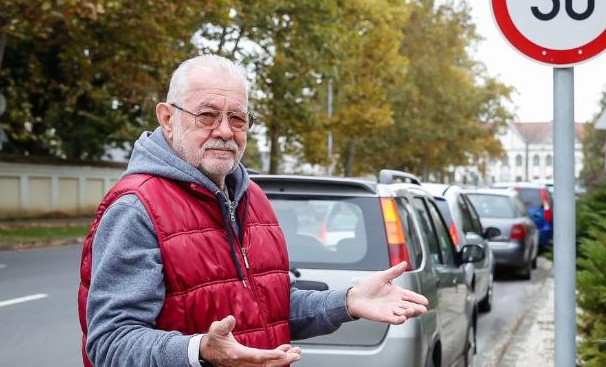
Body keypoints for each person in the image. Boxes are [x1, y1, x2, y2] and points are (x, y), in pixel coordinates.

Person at [78, 55, 429, 367]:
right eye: (207, 115)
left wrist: (348, 300)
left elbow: (271, 307)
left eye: (238, 118)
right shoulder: (136, 209)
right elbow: (110, 344)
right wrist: (200, 351)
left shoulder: (252, 197)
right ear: (167, 118)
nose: (225, 131)